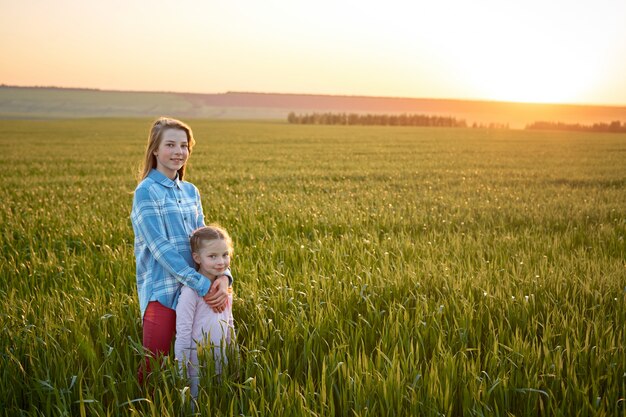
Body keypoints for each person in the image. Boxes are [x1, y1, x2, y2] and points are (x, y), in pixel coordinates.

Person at [130, 117, 231, 384]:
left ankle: (193, 403)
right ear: (154, 149)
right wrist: (202, 283)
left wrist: (223, 277)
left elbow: (207, 242)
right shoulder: (145, 192)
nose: (178, 152)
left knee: (199, 357)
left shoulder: (190, 191)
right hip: (162, 291)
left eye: (184, 146)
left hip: (198, 291)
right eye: (170, 145)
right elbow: (160, 249)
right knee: (155, 363)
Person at [175, 225, 236, 400]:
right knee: (197, 405)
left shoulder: (225, 289)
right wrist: (181, 372)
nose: (221, 262)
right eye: (212, 256)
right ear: (197, 258)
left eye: (225, 255)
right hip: (196, 367)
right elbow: (183, 334)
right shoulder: (190, 293)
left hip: (221, 360)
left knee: (219, 401)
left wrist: (234, 358)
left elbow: (229, 324)